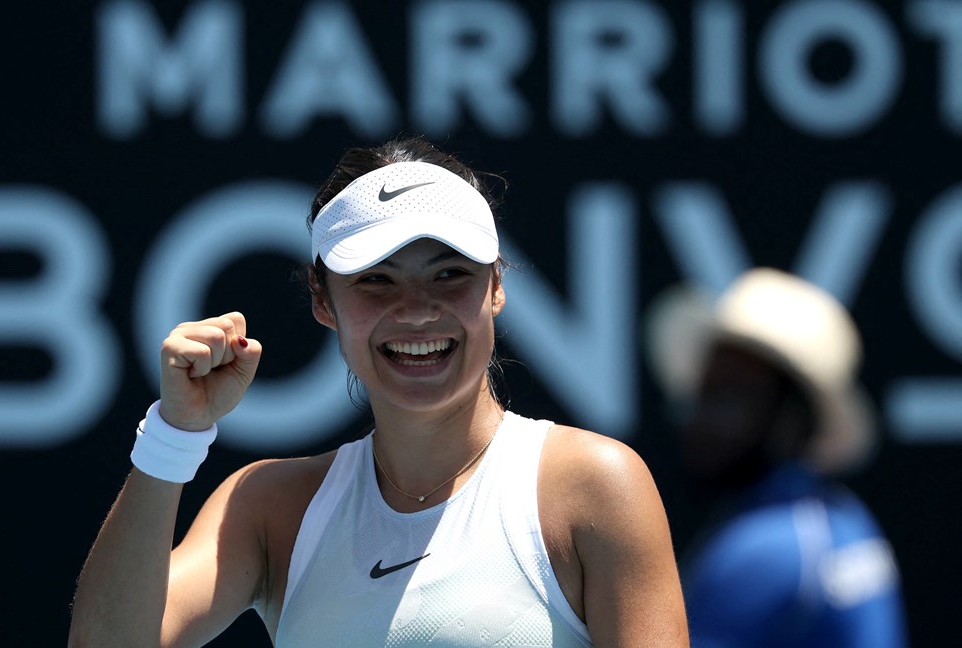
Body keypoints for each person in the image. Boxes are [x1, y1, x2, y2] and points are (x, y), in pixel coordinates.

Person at [68, 136, 689, 647]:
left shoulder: (595, 486)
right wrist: (174, 437)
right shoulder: (269, 506)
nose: (417, 312)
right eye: (376, 281)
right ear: (322, 300)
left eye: (450, 275)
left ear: (495, 286)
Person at [645, 268, 908, 647]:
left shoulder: (763, 551)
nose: (698, 419)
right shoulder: (848, 519)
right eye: (703, 394)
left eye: (727, 399)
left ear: (791, 420)